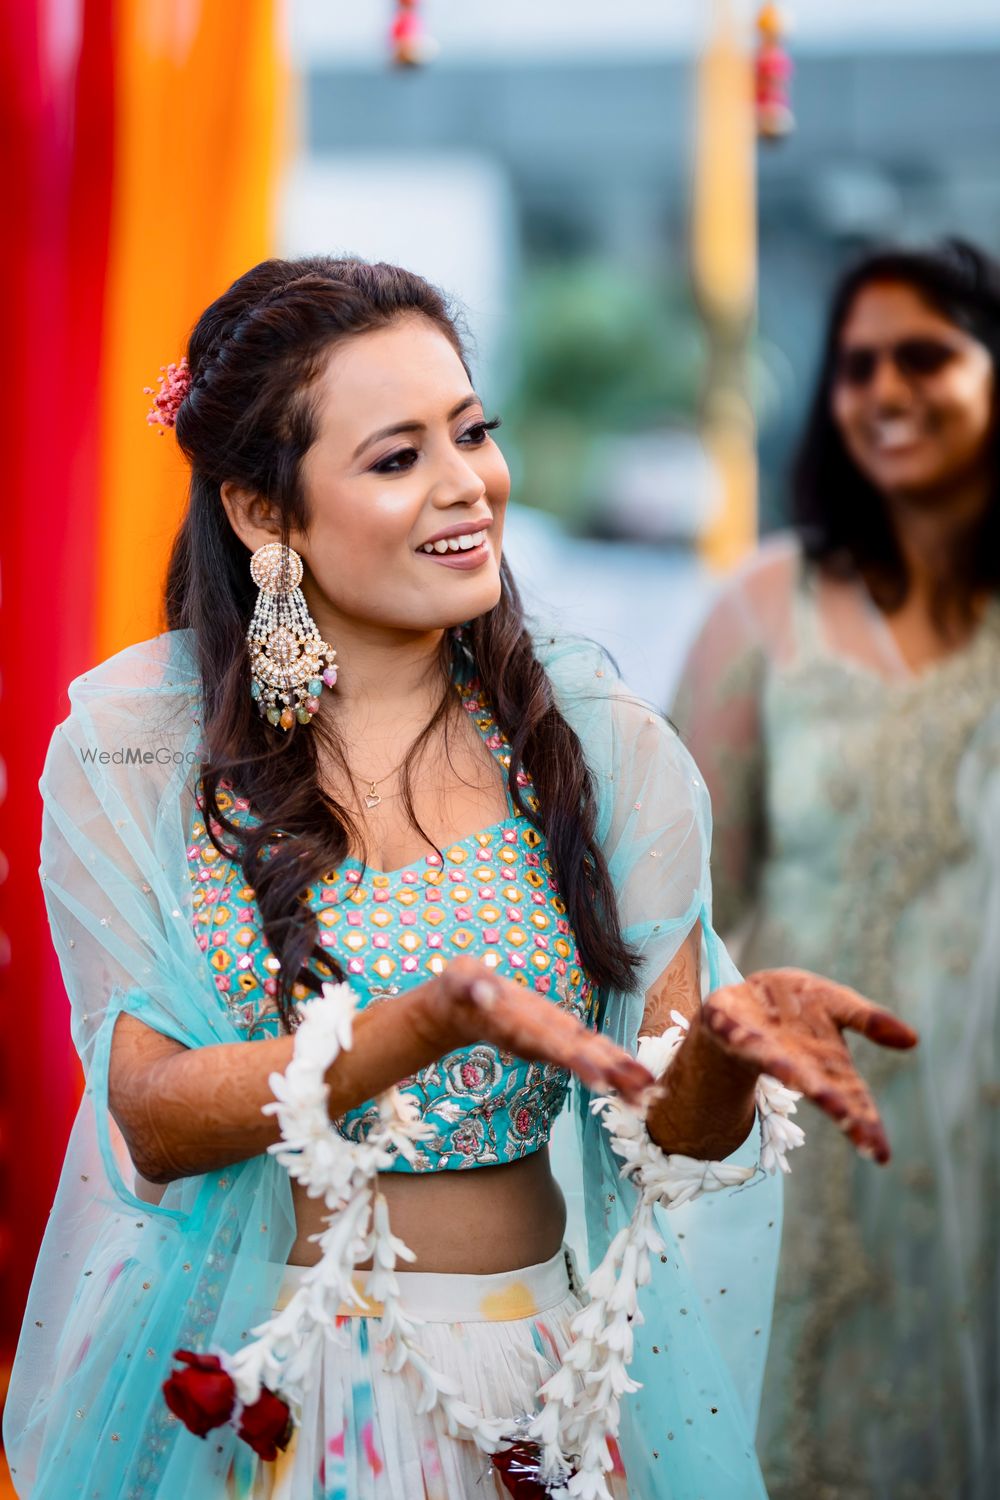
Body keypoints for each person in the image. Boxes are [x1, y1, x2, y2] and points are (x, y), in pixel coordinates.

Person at [4, 257, 914, 1500]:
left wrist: (721, 1052)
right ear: (263, 513)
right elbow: (149, 1113)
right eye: (396, 459)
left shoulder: (599, 746)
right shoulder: (139, 752)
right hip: (270, 1408)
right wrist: (421, 1025)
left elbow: (669, 1132)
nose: (467, 486)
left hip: (540, 1401)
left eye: (472, 432)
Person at [672, 238, 1000, 1500]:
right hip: (811, 1140)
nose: (885, 390)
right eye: (857, 365)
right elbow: (676, 903)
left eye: (926, 354)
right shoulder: (765, 611)